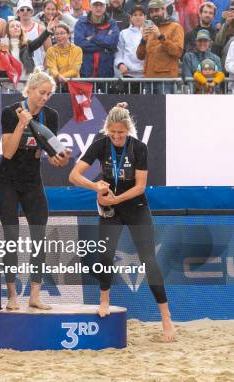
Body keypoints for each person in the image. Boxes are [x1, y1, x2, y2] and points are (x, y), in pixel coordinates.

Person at [68, 102, 175, 343]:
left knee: (149, 260)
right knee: (105, 256)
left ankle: (166, 317)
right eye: (113, 132)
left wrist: (118, 198)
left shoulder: (139, 148)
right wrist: (95, 185)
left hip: (135, 206)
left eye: (121, 132)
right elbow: (74, 175)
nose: (117, 137)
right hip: (110, 209)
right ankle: (103, 301)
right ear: (107, 130)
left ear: (128, 130)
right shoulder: (100, 145)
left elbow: (140, 187)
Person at [0, 69, 70, 310]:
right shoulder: (11, 112)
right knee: (11, 239)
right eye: (41, 93)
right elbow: (7, 152)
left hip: (32, 182)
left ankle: (35, 296)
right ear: (29, 90)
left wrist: (60, 159)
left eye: (49, 94)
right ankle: (12, 296)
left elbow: (50, 154)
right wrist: (22, 124)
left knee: (39, 237)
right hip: (8, 182)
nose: (45, 98)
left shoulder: (51, 116)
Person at [136, 0, 183, 94]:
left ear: (164, 10)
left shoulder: (176, 27)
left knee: (165, 108)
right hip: (148, 79)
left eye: (157, 10)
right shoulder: (149, 29)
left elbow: (177, 52)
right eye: (152, 12)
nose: (154, 14)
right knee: (147, 109)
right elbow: (140, 56)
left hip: (166, 79)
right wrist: (143, 40)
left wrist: (160, 36)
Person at [74, 0, 120, 79]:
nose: (98, 8)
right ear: (90, 6)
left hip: (106, 71)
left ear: (105, 7)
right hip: (85, 70)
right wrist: (104, 46)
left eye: (101, 5)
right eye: (95, 5)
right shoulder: (81, 22)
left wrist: (92, 37)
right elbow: (79, 44)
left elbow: (112, 43)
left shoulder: (111, 23)